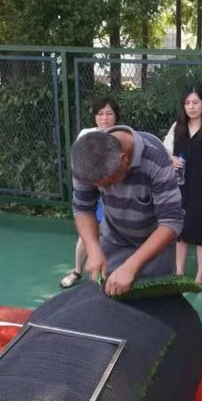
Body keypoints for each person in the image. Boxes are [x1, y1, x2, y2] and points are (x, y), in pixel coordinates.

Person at [71, 125, 183, 296]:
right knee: (102, 299)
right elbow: (82, 207)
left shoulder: (155, 156)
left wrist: (131, 266)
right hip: (113, 240)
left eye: (109, 183)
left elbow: (171, 221)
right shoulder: (86, 159)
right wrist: (93, 247)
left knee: (156, 305)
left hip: (155, 246)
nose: (107, 189)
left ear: (123, 159)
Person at [163, 87, 202, 285]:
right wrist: (171, 158)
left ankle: (200, 277)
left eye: (195, 103)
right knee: (180, 232)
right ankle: (179, 273)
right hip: (179, 187)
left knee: (201, 232)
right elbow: (163, 151)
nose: (191, 107)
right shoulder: (177, 128)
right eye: (187, 103)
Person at [60, 96, 120, 288]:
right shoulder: (86, 135)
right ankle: (77, 271)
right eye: (100, 114)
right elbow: (79, 167)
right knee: (86, 236)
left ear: (116, 116)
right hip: (91, 195)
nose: (105, 118)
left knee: (111, 236)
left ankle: (105, 276)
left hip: (113, 196)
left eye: (109, 113)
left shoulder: (120, 136)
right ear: (95, 117)